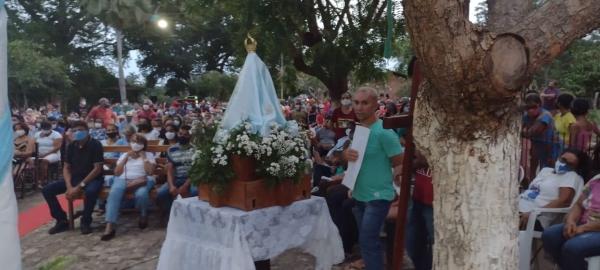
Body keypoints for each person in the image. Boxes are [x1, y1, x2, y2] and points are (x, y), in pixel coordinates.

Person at [343, 87, 404, 270]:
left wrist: (399, 187)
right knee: (367, 243)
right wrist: (346, 155)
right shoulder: (360, 130)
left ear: (375, 104)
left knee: (368, 241)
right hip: (360, 195)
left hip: (378, 197)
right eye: (356, 102)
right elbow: (356, 160)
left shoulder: (384, 132)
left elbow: (399, 162)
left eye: (364, 103)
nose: (359, 107)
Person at [42, 121, 104, 234]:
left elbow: (97, 169)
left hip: (92, 178)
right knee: (47, 190)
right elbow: (66, 167)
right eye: (74, 131)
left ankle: (86, 221)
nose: (77, 133)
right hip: (75, 178)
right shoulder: (71, 146)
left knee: (91, 191)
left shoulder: (95, 145)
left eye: (80, 130)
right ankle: (61, 220)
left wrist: (80, 186)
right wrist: (69, 186)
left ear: (87, 131)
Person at [101, 134, 156, 241]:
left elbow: (150, 172)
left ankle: (143, 214)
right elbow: (117, 173)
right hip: (123, 179)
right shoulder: (125, 155)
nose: (135, 144)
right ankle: (110, 225)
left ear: (143, 145)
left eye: (139, 142)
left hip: (143, 179)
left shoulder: (149, 155)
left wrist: (143, 157)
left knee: (142, 194)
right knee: (114, 193)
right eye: (133, 141)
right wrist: (126, 158)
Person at [519, 148, 588, 229]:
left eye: (570, 164)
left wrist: (533, 213)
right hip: (518, 208)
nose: (564, 164)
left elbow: (564, 201)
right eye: (563, 160)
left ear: (576, 168)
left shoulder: (571, 176)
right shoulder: (546, 171)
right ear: (559, 157)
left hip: (535, 217)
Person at [542, 174, 600, 270]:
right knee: (550, 235)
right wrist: (570, 221)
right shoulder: (596, 179)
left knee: (573, 247)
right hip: (583, 224)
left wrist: (584, 228)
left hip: (595, 229)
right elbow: (578, 205)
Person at [157, 125, 196, 217]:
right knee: (161, 193)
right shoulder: (171, 149)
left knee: (195, 192)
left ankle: (192, 216)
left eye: (186, 135)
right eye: (180, 134)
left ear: (190, 136)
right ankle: (169, 215)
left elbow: (195, 171)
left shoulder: (195, 150)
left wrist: (185, 186)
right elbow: (170, 170)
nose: (182, 136)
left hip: (192, 179)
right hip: (177, 178)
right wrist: (171, 186)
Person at [522, 93, 560, 169]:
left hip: (550, 146)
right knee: (533, 166)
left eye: (534, 107)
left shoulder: (545, 115)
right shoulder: (526, 116)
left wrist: (523, 133)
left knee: (548, 169)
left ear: (539, 105)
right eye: (528, 107)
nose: (530, 110)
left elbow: (533, 132)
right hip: (536, 144)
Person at [34, 121, 63, 186]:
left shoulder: (56, 135)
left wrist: (45, 154)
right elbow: (33, 145)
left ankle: (43, 180)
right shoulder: (37, 134)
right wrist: (36, 153)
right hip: (38, 153)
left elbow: (57, 147)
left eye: (47, 129)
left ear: (50, 128)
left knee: (44, 161)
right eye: (44, 129)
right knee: (30, 160)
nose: (45, 130)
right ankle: (35, 180)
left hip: (53, 154)